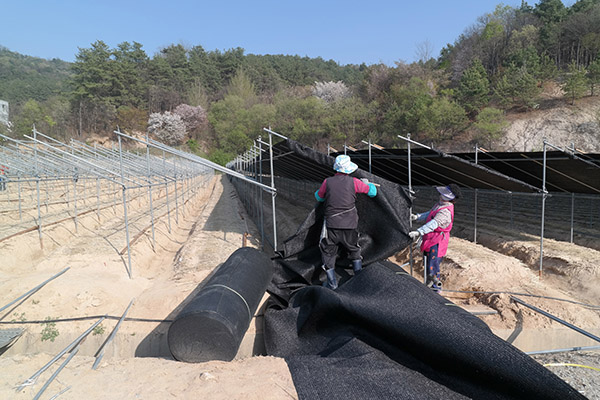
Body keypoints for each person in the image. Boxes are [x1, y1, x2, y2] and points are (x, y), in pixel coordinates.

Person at [315, 154, 377, 289]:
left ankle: (332, 284)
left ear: (336, 169)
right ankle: (358, 278)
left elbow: (319, 197)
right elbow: (373, 192)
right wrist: (367, 184)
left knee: (328, 252)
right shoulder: (354, 182)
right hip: (350, 224)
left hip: (332, 225)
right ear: (349, 169)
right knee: (354, 249)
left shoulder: (327, 182)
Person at [409, 184, 461, 292]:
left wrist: (419, 232)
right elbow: (430, 214)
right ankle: (430, 282)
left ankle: (435, 287)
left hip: (437, 240)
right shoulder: (440, 205)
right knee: (428, 261)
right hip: (431, 238)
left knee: (433, 263)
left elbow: (433, 223)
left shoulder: (445, 212)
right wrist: (418, 217)